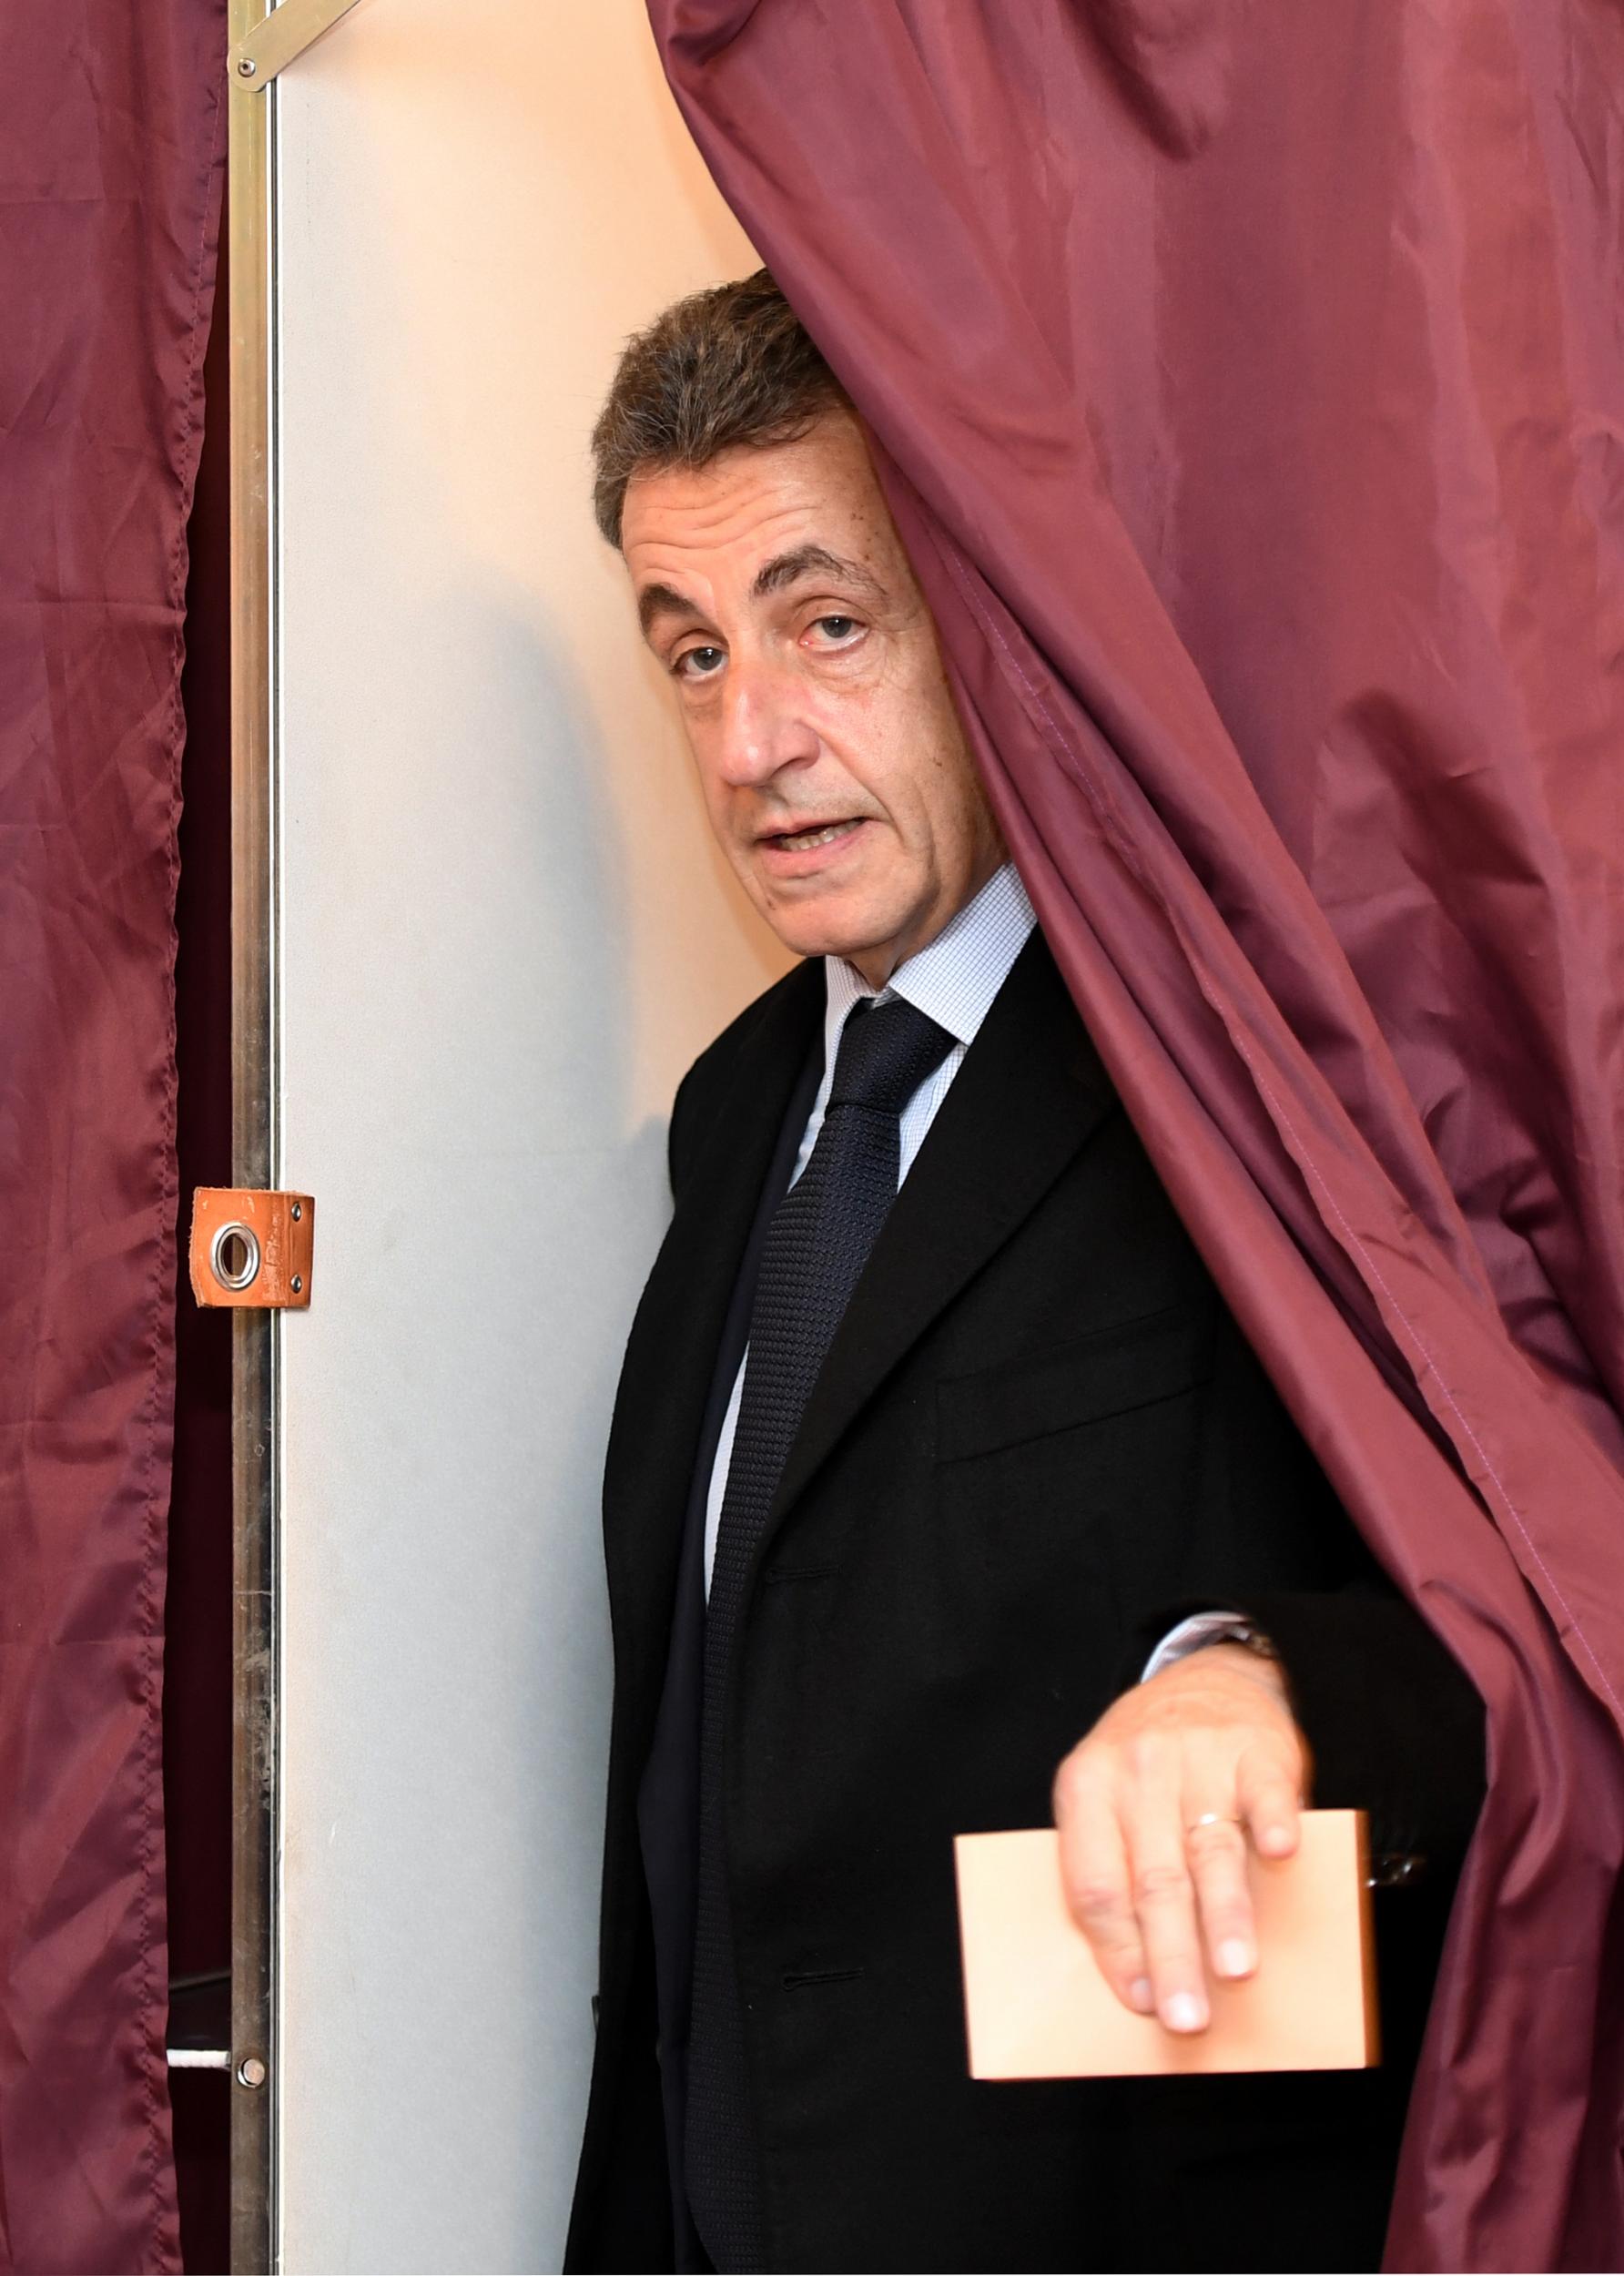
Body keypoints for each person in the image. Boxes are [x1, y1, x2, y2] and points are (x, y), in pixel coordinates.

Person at [564, 271, 1485, 2276]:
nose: (751, 742)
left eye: (827, 625)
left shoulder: (1237, 1078)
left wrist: (1251, 1679)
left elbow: (1515, 1618)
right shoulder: (737, 1115)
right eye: (692, 654)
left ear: (983, 620)